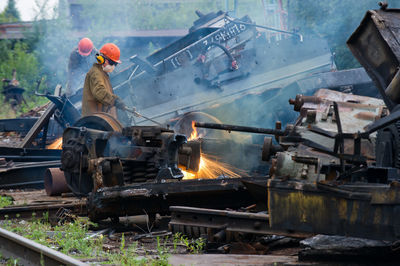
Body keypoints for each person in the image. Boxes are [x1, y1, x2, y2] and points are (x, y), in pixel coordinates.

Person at [82, 43, 126, 119]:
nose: (113, 66)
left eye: (115, 64)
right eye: (112, 63)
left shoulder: (102, 73)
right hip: (94, 121)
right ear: (101, 59)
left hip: (99, 118)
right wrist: (114, 100)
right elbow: (99, 91)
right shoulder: (96, 73)